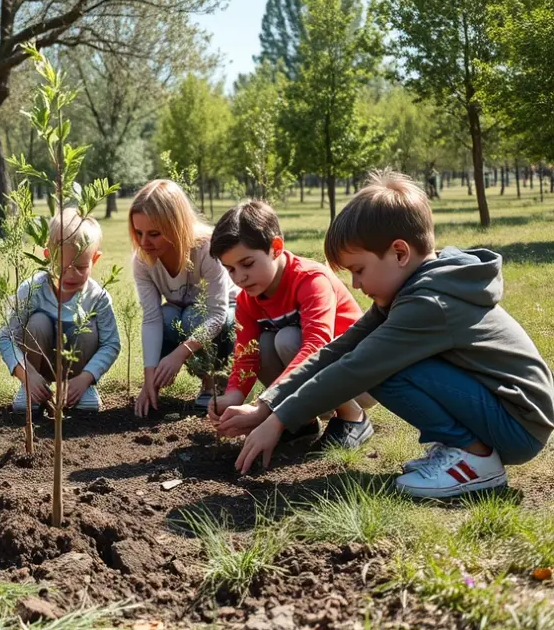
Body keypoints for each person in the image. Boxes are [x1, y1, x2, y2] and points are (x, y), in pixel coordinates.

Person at [220, 172, 553, 497]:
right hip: (507, 413)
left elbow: (357, 366)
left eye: (359, 270)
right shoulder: (409, 290)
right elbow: (337, 350)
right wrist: (268, 406)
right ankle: (463, 447)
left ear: (399, 253)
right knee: (370, 356)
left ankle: (475, 459)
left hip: (518, 425)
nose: (355, 284)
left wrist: (278, 422)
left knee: (381, 366)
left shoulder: (428, 302)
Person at [207, 199, 374, 450]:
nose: (239, 277)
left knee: (287, 339)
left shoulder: (311, 280)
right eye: (230, 269)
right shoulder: (247, 300)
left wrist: (264, 406)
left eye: (247, 264)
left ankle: (353, 417)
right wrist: (233, 395)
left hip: (362, 377)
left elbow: (317, 347)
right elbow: (247, 353)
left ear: (276, 247)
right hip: (316, 381)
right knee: (263, 344)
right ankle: (301, 422)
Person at [129, 179, 237, 415]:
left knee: (192, 316)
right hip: (183, 315)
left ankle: (213, 384)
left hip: (226, 316)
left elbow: (218, 314)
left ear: (176, 226)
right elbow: (151, 319)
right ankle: (155, 385)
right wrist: (149, 379)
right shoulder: (143, 260)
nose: (144, 242)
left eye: (154, 234)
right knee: (167, 315)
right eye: (139, 232)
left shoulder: (207, 249)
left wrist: (179, 354)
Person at [0, 208, 120, 414]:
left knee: (86, 326)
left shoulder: (98, 297)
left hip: (78, 372)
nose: (70, 275)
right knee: (37, 322)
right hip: (37, 370)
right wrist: (27, 375)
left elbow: (111, 343)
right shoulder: (31, 290)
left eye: (81, 267)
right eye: (62, 267)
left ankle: (79, 390)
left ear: (95, 260)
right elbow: (6, 338)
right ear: (48, 256)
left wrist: (86, 377)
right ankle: (33, 391)